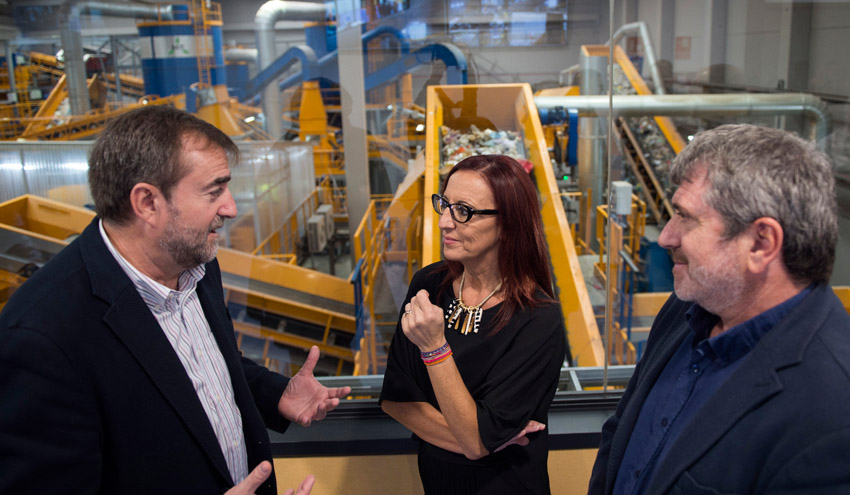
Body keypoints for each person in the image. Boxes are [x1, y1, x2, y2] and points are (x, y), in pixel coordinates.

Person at [0, 106, 351, 495]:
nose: (231, 208)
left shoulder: (195, 264)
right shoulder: (41, 339)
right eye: (214, 191)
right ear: (147, 203)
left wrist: (275, 393)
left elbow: (202, 368)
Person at [588, 124, 850, 494]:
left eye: (685, 217)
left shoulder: (831, 413)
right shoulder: (687, 307)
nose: (666, 237)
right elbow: (621, 431)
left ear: (761, 243)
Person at [380, 154, 568, 494]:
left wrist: (434, 348)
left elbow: (476, 439)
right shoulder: (429, 284)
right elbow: (397, 399)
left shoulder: (538, 318)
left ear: (508, 224)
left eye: (463, 211)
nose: (444, 222)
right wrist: (477, 439)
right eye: (444, 205)